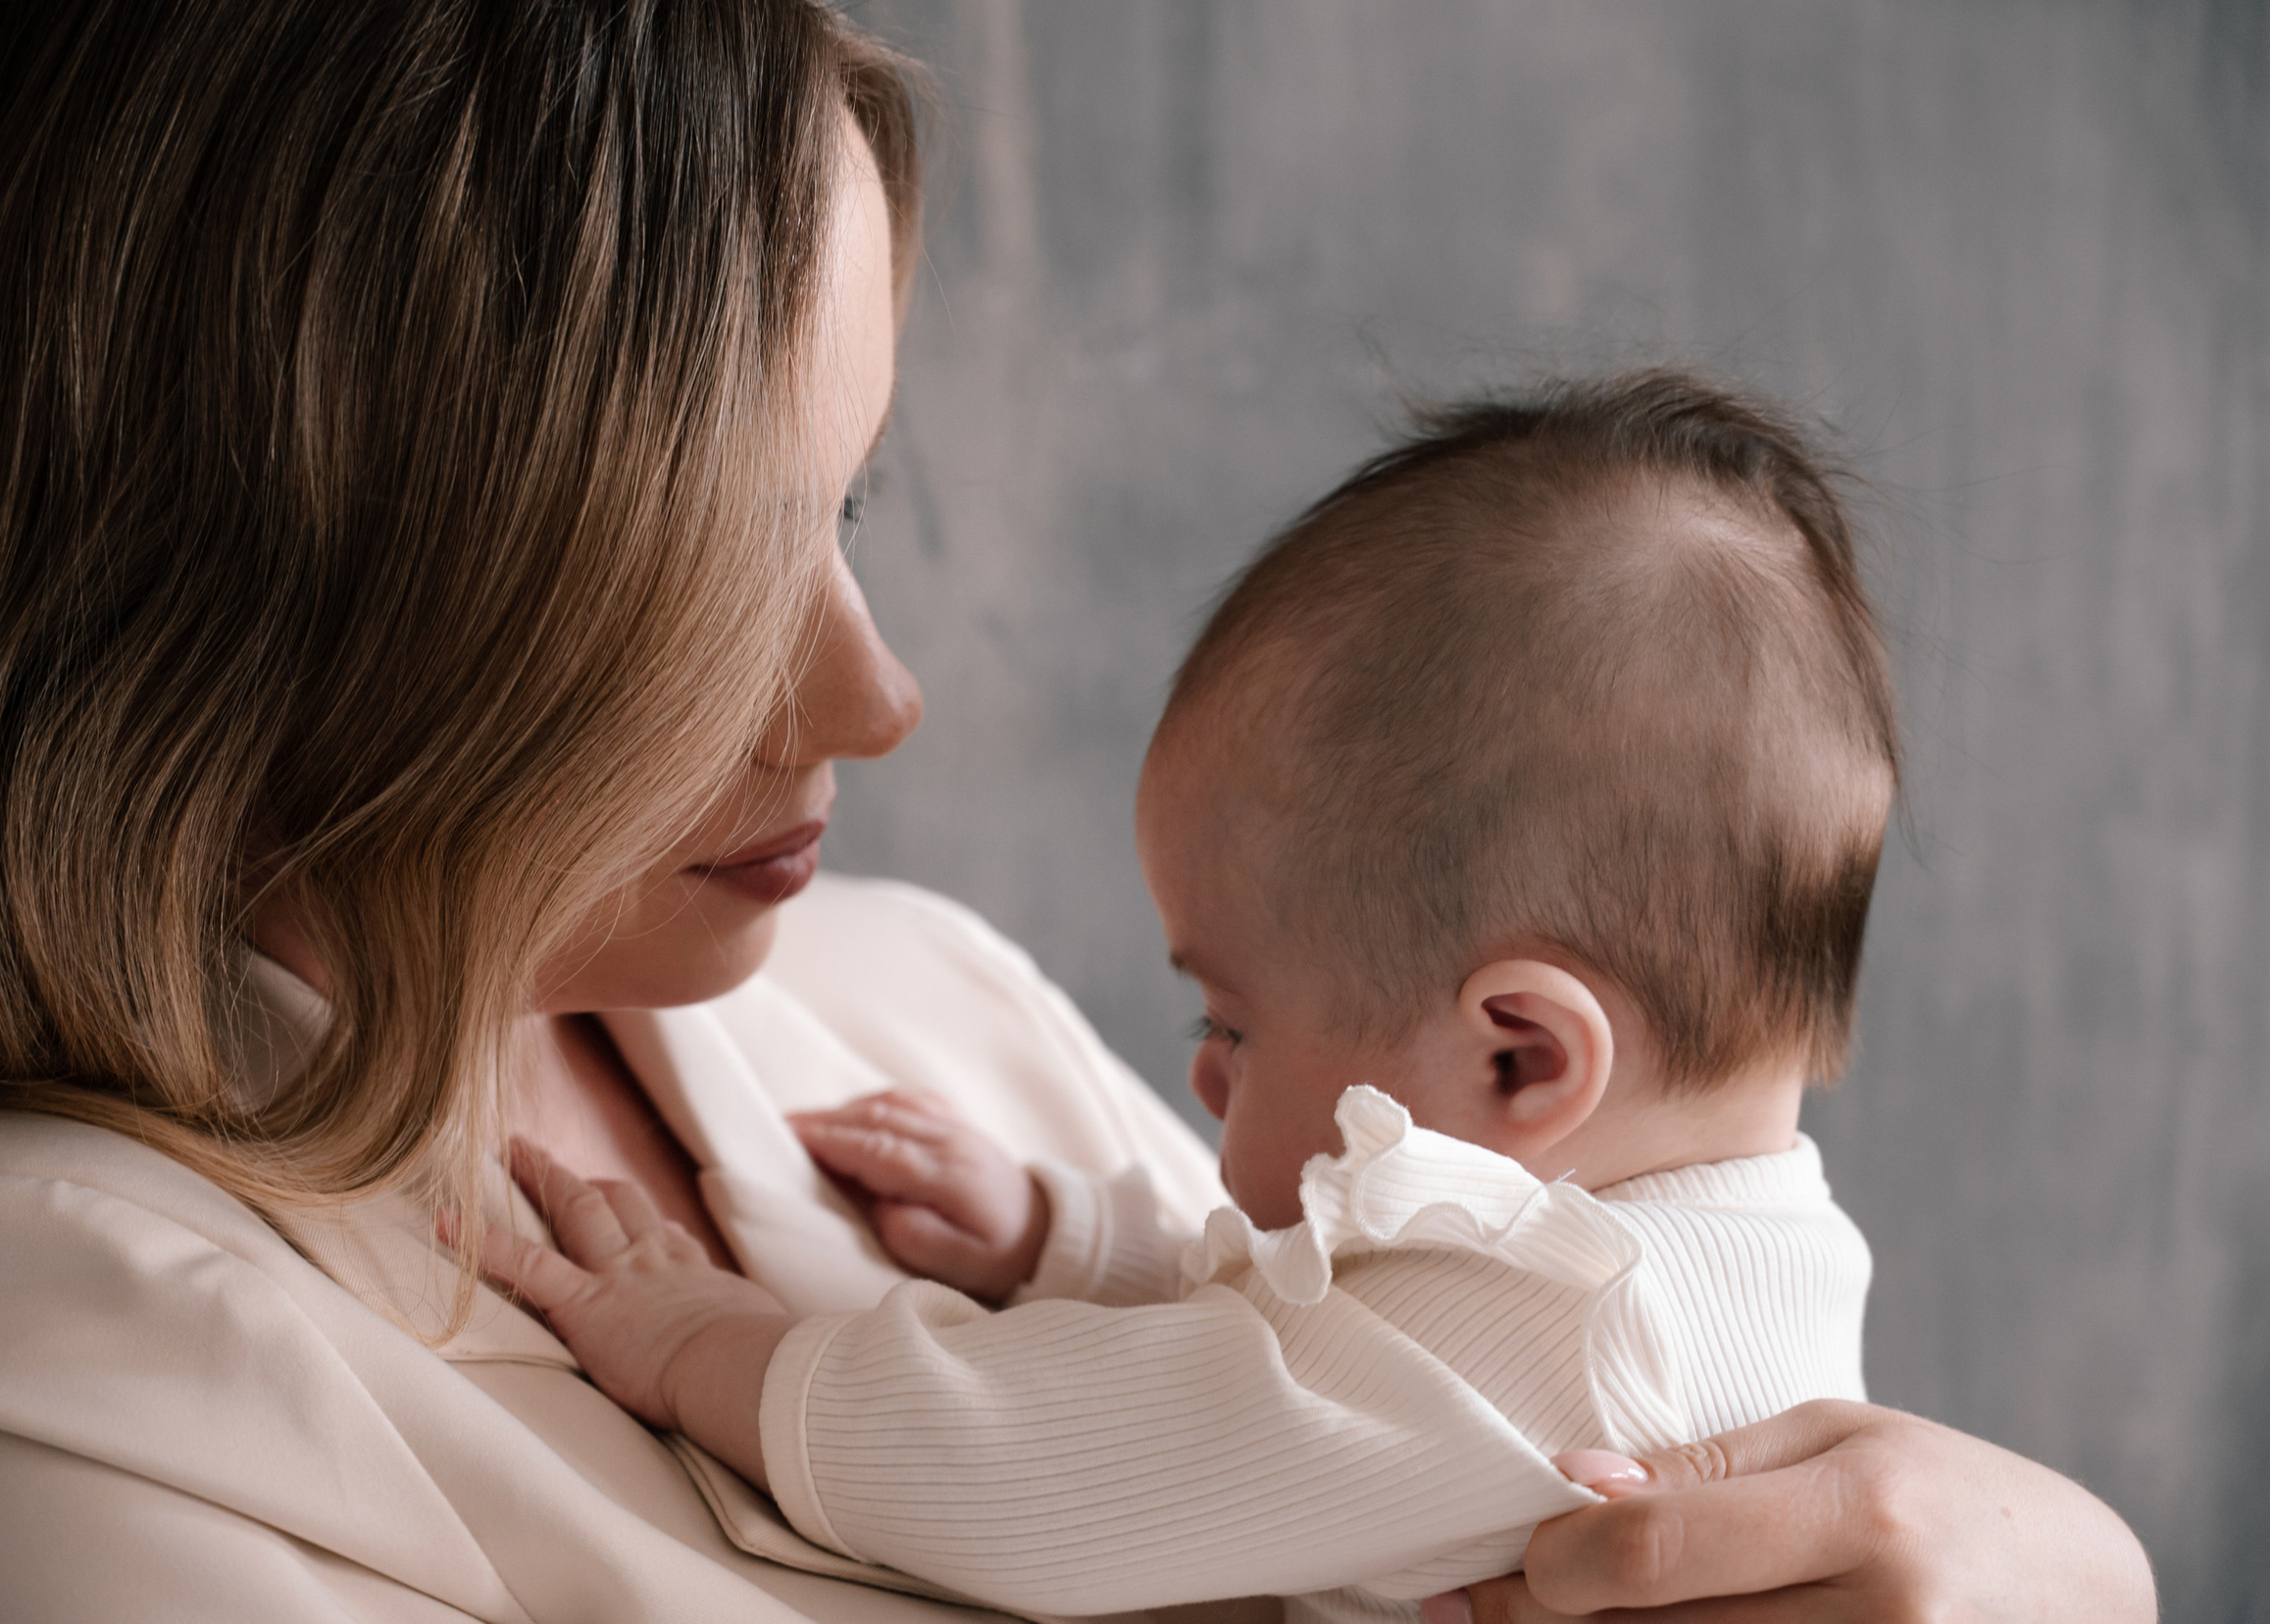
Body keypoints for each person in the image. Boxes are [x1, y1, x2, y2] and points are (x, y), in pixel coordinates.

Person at [0, 0, 2158, 1620]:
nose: (879, 694)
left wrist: (2064, 1570)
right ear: (254, 579)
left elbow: (1262, 1345)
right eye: (708, 567)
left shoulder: (919, 1009)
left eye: (849, 508)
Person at [465, 373, 1889, 1621]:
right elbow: (1309, 1350)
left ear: (1521, 1058)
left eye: (1233, 1025)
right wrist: (1061, 1237)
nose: (1206, 1081)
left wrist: (716, 1345)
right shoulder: (1708, 1253)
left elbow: (1044, 1467)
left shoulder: (1547, 1346)